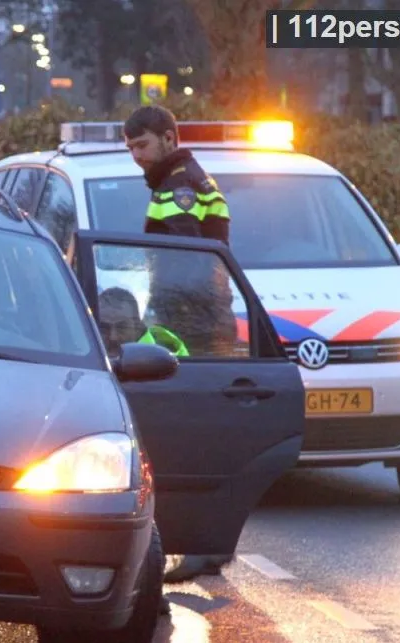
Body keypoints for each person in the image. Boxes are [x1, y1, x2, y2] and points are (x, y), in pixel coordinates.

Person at [123, 105, 235, 584]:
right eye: (129, 148)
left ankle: (201, 547)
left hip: (192, 329)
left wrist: (167, 321)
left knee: (194, 441)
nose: (136, 158)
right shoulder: (183, 181)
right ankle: (204, 546)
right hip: (197, 325)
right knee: (203, 439)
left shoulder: (180, 189)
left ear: (170, 138)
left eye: (142, 146)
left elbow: (187, 265)